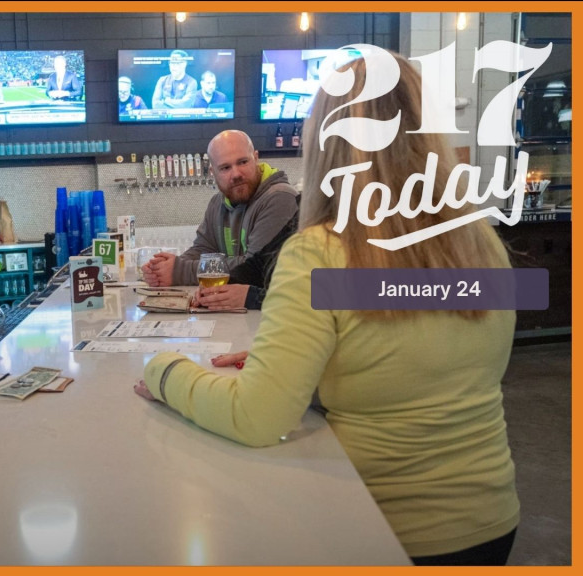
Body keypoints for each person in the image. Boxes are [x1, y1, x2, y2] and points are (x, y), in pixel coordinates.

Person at [136, 52, 519, 565]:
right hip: (493, 525)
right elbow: (408, 344)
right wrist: (307, 363)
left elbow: (254, 418)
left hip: (382, 534)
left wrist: (162, 369)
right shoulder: (483, 246)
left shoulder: (320, 253)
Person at [141, 130, 298, 287]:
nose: (236, 174)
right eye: (225, 168)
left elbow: (255, 268)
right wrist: (163, 268)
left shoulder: (280, 197)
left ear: (256, 158)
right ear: (212, 172)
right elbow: (203, 249)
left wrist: (181, 271)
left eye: (243, 162)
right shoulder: (218, 203)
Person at [194, 205, 298, 311]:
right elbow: (260, 263)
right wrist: (225, 286)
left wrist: (251, 297)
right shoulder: (303, 212)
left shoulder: (310, 215)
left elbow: (315, 300)